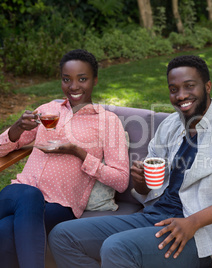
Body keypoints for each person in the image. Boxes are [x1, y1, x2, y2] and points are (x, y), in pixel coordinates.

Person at [49, 55, 212, 268]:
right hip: (154, 217)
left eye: (189, 86)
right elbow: (150, 188)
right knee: (63, 235)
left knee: (116, 247)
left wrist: (193, 222)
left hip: (197, 233)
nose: (181, 95)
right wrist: (140, 181)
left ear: (207, 86)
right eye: (173, 89)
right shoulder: (170, 125)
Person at [0, 49, 129, 268]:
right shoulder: (47, 110)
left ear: (95, 80)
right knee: (30, 195)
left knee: (4, 229)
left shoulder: (108, 121)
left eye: (82, 79)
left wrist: (78, 152)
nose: (73, 86)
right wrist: (17, 128)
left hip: (60, 206)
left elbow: (121, 180)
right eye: (66, 79)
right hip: (19, 192)